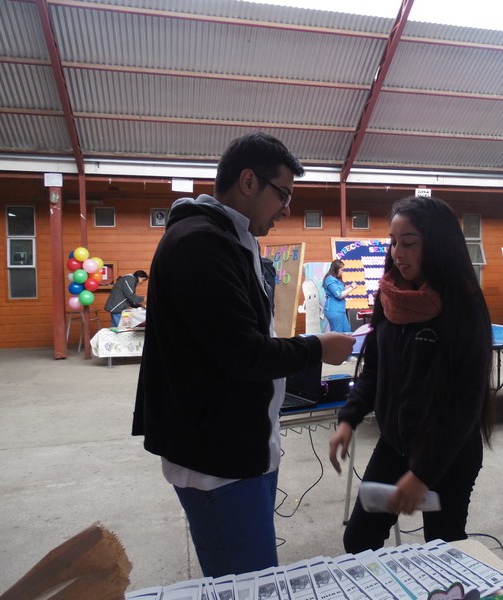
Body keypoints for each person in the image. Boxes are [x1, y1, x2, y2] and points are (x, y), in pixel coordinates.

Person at [133, 132, 354, 578]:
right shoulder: (199, 244)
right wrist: (317, 347)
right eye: (283, 194)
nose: (286, 209)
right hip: (217, 463)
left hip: (237, 450)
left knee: (248, 577)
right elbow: (243, 352)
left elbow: (242, 339)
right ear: (248, 181)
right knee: (248, 584)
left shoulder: (230, 239)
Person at [328, 195, 496, 552]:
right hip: (395, 444)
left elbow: (466, 403)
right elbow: (374, 370)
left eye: (409, 243)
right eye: (393, 242)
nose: (397, 253)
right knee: (358, 540)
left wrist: (423, 474)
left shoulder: (464, 305)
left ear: (436, 245)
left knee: (443, 548)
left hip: (449, 452)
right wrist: (348, 418)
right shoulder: (390, 298)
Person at [322, 259, 357, 332]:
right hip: (334, 310)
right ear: (336, 269)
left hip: (340, 310)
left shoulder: (335, 279)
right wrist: (352, 288)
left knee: (347, 331)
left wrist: (350, 286)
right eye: (341, 270)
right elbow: (339, 295)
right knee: (337, 334)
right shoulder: (330, 279)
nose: (342, 272)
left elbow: (341, 289)